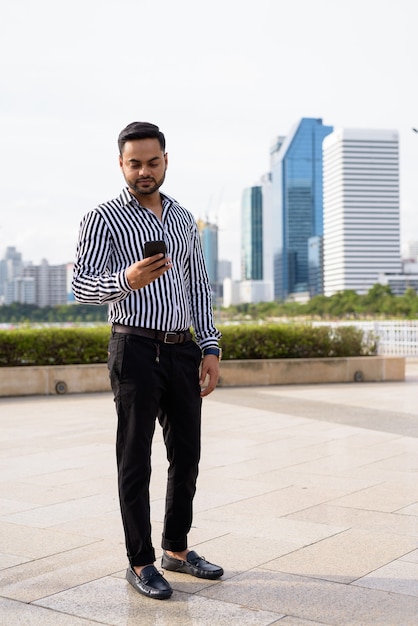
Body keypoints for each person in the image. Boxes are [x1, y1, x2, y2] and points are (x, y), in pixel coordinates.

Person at [72, 121, 224, 600]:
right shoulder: (102, 217)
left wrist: (211, 346)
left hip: (182, 350)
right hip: (134, 347)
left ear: (165, 160)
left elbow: (198, 287)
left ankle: (176, 551)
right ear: (121, 163)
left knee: (188, 456)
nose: (144, 171)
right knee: (135, 460)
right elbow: (80, 286)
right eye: (134, 163)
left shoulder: (182, 218)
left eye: (152, 162)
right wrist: (127, 279)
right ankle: (139, 562)